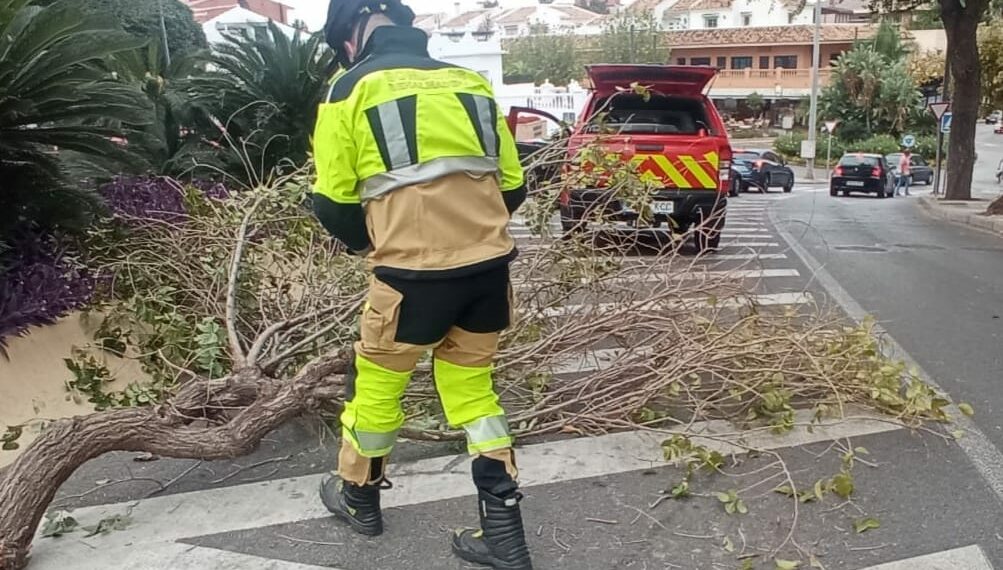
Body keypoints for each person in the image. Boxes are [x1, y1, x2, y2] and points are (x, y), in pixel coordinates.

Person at [311, 2, 532, 569]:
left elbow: (333, 205)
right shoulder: (472, 84)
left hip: (409, 282)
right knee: (475, 395)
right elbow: (512, 189)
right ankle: (504, 535)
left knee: (379, 389)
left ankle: (360, 500)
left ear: (353, 33)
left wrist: (384, 240)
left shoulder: (349, 89)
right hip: (488, 275)